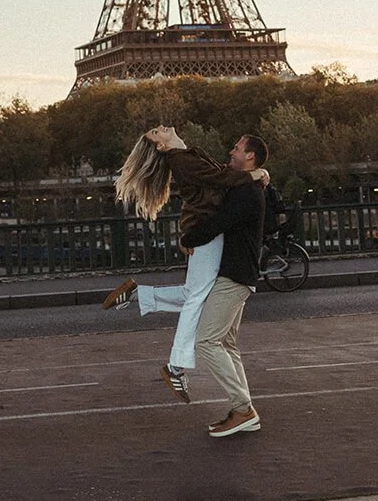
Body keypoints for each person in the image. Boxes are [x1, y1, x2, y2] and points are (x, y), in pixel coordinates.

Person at [102, 126, 268, 404]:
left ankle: (135, 294)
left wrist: (259, 173)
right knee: (197, 298)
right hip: (205, 234)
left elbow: (221, 172)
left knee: (193, 293)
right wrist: (255, 174)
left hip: (204, 233)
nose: (160, 129)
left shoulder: (188, 153)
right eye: (156, 133)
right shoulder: (181, 160)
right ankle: (176, 366)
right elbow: (219, 178)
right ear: (161, 146)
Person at [181, 134, 268, 438]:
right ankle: (242, 410)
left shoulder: (246, 193)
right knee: (227, 345)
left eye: (237, 149)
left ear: (250, 157)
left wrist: (188, 238)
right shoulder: (247, 186)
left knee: (206, 341)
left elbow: (218, 222)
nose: (231, 152)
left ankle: (243, 408)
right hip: (240, 274)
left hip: (235, 276)